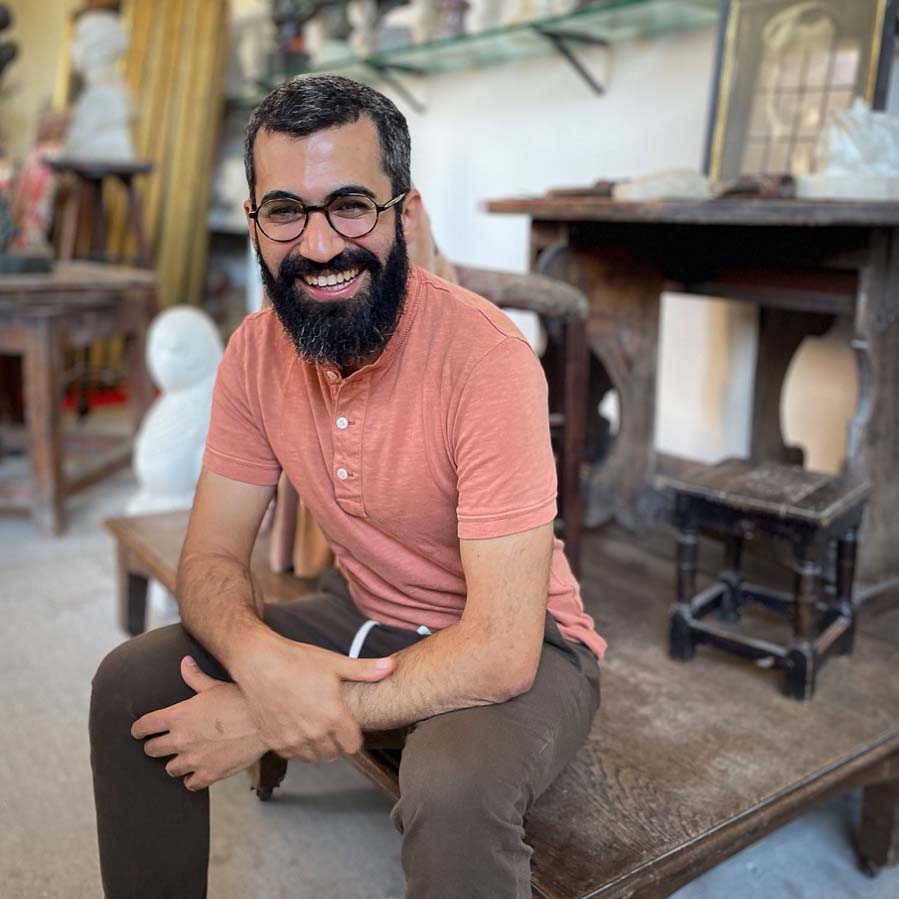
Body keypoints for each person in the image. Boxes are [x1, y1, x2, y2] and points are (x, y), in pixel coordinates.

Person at [89, 74, 606, 899]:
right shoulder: (254, 354)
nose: (321, 246)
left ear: (403, 212)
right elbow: (211, 557)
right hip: (361, 611)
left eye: (351, 205)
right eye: (287, 211)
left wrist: (266, 715)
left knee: (453, 788)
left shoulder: (488, 358)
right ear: (256, 224)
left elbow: (503, 649)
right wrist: (262, 663)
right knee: (132, 684)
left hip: (521, 641)